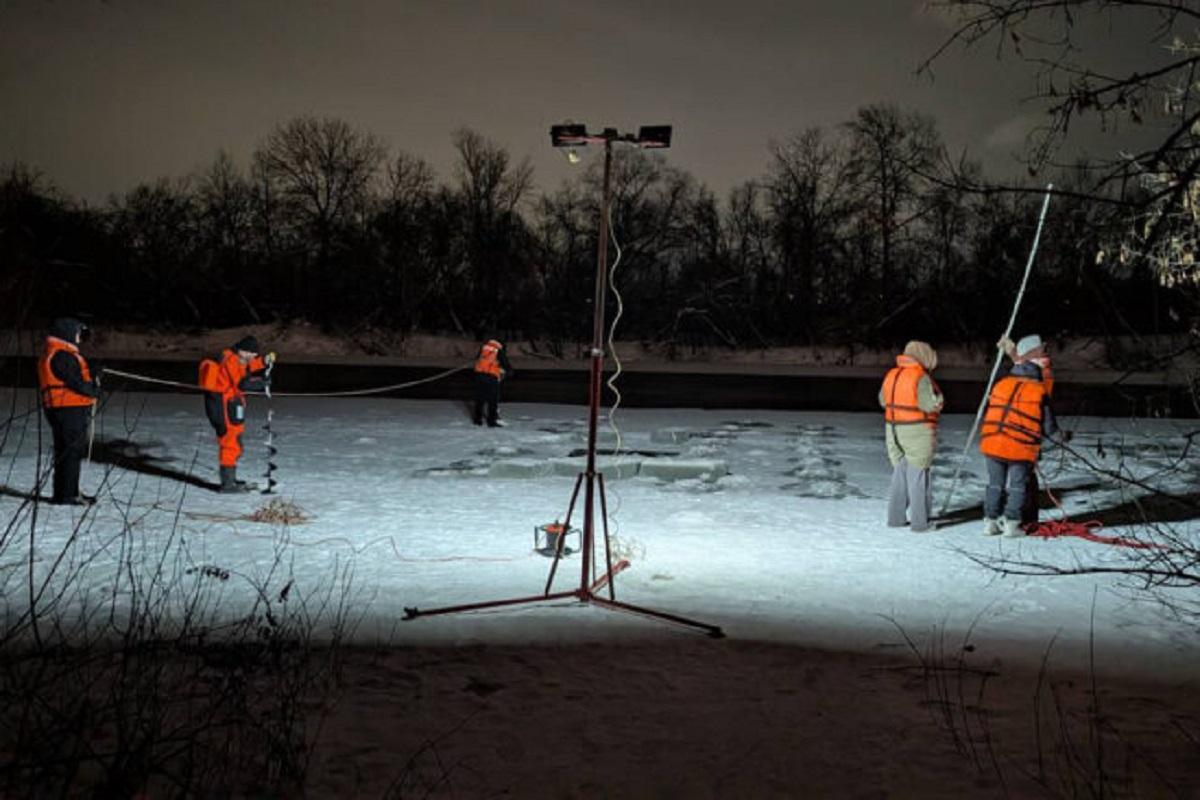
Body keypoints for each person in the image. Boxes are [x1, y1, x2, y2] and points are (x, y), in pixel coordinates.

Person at [979, 350, 1063, 537]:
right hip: (1020, 447)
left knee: (994, 484)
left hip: (992, 441)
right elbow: (1049, 427)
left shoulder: (1001, 384)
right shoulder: (1039, 391)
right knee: (1017, 486)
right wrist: (1062, 437)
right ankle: (1011, 524)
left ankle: (990, 522)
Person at [879, 340, 944, 532]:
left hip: (893, 430)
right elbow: (928, 405)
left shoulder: (892, 374)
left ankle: (895, 518)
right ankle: (920, 523)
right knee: (918, 476)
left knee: (900, 473)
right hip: (917, 431)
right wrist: (938, 400)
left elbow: (882, 400)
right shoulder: (920, 377)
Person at [37, 317, 101, 505]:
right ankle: (67, 495)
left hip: (63, 408)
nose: (80, 337)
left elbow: (73, 377)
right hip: (67, 408)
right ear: (67, 333)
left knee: (66, 451)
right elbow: (75, 382)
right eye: (78, 333)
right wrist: (92, 389)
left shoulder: (59, 353)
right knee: (70, 452)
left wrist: (93, 374)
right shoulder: (61, 355)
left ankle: (67, 492)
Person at [199, 335, 274, 493]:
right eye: (252, 354)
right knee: (230, 443)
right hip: (223, 405)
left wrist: (263, 361)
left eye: (255, 355)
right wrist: (262, 383)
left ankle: (231, 479)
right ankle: (227, 485)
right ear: (243, 350)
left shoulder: (237, 358)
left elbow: (247, 367)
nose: (253, 357)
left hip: (232, 404)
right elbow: (242, 383)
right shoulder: (230, 361)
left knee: (236, 442)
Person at [998, 333, 1054, 525]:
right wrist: (1012, 353)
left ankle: (1026, 520)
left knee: (1025, 477)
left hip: (1028, 431)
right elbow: (1023, 368)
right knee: (1023, 476)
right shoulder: (1036, 368)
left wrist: (1013, 354)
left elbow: (1025, 372)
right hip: (1020, 430)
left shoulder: (1042, 373)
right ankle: (1024, 518)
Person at [472, 338, 514, 427]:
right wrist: (509, 370)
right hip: (491, 376)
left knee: (480, 399)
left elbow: (478, 359)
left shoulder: (484, 347)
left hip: (479, 375)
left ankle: (477, 420)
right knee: (493, 400)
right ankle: (491, 421)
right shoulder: (498, 350)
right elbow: (504, 362)